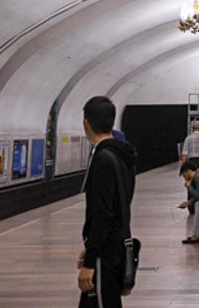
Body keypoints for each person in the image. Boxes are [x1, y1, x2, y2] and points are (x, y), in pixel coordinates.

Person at [76, 95, 137, 308]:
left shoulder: (102, 159)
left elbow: (103, 213)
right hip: (117, 245)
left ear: (86, 124)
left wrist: (92, 259)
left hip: (105, 254)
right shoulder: (123, 156)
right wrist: (92, 244)